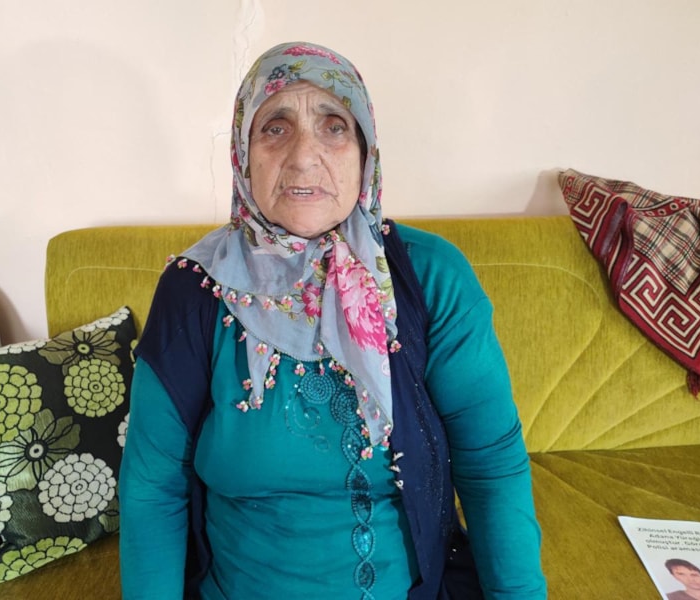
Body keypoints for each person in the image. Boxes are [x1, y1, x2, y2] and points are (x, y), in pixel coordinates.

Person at [119, 41, 546, 599]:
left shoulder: (431, 277)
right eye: (275, 127)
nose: (303, 156)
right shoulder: (194, 290)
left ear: (365, 152)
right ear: (243, 153)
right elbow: (152, 488)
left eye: (334, 126)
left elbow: (491, 468)